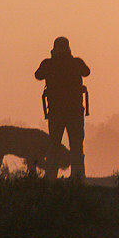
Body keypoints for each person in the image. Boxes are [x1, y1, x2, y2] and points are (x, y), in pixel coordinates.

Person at [35, 37, 90, 180]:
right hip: (74, 112)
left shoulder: (49, 64)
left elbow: (38, 75)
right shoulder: (76, 63)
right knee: (76, 146)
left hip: (57, 112)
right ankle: (78, 177)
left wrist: (53, 59)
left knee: (54, 146)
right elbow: (87, 72)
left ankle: (51, 178)